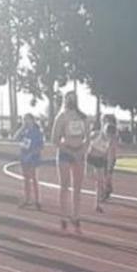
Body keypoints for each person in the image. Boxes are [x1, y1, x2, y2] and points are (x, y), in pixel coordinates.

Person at [50, 91, 89, 233]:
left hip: (79, 152)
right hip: (65, 152)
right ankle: (63, 216)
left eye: (73, 98)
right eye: (68, 98)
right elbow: (54, 139)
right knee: (64, 185)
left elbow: (88, 139)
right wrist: (69, 151)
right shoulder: (61, 117)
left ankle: (76, 216)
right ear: (65, 100)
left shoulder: (83, 117)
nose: (71, 100)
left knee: (77, 187)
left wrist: (82, 151)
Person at [13, 112, 44, 209]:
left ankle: (37, 200)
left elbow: (40, 146)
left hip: (33, 158)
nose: (26, 121)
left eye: (27, 119)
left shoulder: (37, 132)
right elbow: (14, 138)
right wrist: (22, 128)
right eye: (24, 119)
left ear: (32, 120)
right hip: (24, 157)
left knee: (34, 178)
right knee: (26, 179)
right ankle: (27, 199)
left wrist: (31, 154)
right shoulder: (24, 131)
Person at [86, 120, 116, 213]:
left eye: (110, 134)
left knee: (99, 182)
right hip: (90, 158)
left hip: (101, 160)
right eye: (108, 133)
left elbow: (111, 154)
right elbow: (86, 140)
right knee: (88, 176)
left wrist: (109, 169)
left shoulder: (111, 141)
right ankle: (100, 187)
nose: (108, 136)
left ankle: (97, 204)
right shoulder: (95, 134)